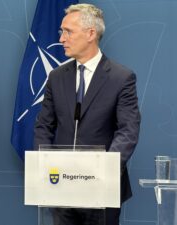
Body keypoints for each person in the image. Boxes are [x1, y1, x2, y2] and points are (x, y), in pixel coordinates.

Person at [34, 3, 140, 225]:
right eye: (61, 32)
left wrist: (103, 171)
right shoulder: (56, 77)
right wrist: (46, 165)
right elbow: (43, 126)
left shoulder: (121, 78)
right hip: (61, 187)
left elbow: (128, 131)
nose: (62, 39)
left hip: (103, 189)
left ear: (91, 33)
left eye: (68, 31)